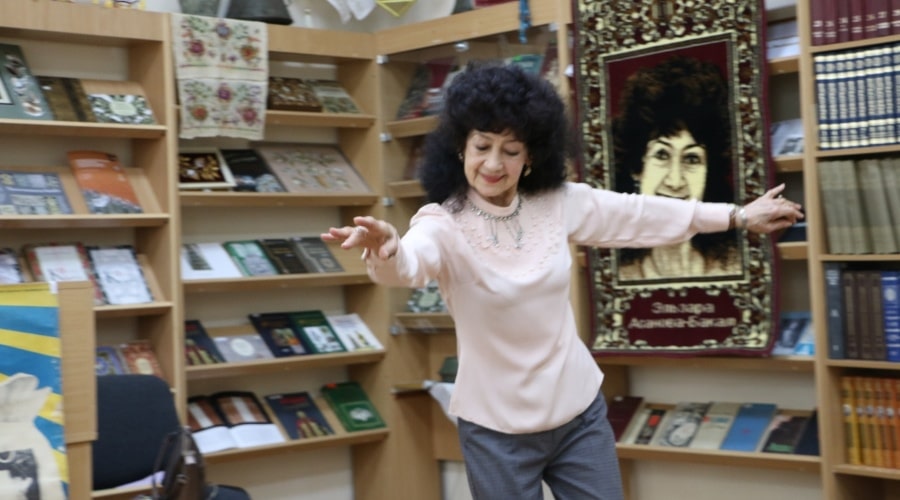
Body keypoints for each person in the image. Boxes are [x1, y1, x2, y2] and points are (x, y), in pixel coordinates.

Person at [322, 61, 802, 500]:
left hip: (578, 413)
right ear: (461, 148)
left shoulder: (558, 202)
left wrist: (738, 215)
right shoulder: (441, 223)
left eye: (511, 150)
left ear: (531, 156)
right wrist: (387, 248)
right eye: (482, 146)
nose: (494, 164)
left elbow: (639, 213)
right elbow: (410, 264)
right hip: (495, 428)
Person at [611, 55, 740, 280]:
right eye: (661, 155)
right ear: (637, 167)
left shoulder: (736, 264)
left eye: (691, 159)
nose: (675, 181)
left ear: (709, 173)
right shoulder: (617, 271)